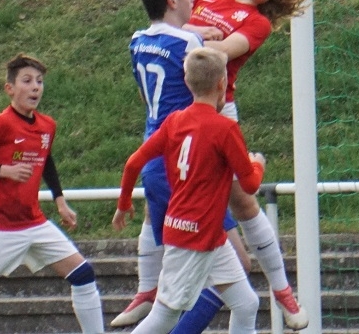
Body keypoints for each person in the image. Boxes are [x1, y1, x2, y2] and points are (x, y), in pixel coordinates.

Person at [117, 0, 321, 330]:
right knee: (164, 191)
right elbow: (175, 17)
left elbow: (217, 55)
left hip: (218, 105)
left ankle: (283, 292)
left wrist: (199, 35)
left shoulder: (256, 22)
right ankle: (146, 290)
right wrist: (196, 34)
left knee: (243, 201)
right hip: (186, 105)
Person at [111, 0, 252, 330]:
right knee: (176, 300)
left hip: (156, 150)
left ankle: (147, 290)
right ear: (172, 0)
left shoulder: (137, 39)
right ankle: (151, 296)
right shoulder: (191, 49)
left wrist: (124, 201)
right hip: (183, 165)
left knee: (243, 296)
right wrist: (206, 35)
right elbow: (203, 62)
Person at [0, 54, 103, 334]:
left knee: (83, 275)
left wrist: (59, 200)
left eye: (39, 81)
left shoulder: (47, 125)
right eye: (27, 81)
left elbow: (46, 160)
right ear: (10, 89)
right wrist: (3, 170)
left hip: (34, 222)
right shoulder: (1, 124)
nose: (35, 87)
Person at [112, 47, 267, 334]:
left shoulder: (174, 122)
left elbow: (133, 163)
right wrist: (257, 164)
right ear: (222, 84)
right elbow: (250, 185)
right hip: (193, 236)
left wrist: (123, 204)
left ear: (187, 82)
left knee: (246, 303)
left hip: (205, 234)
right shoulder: (224, 129)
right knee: (165, 317)